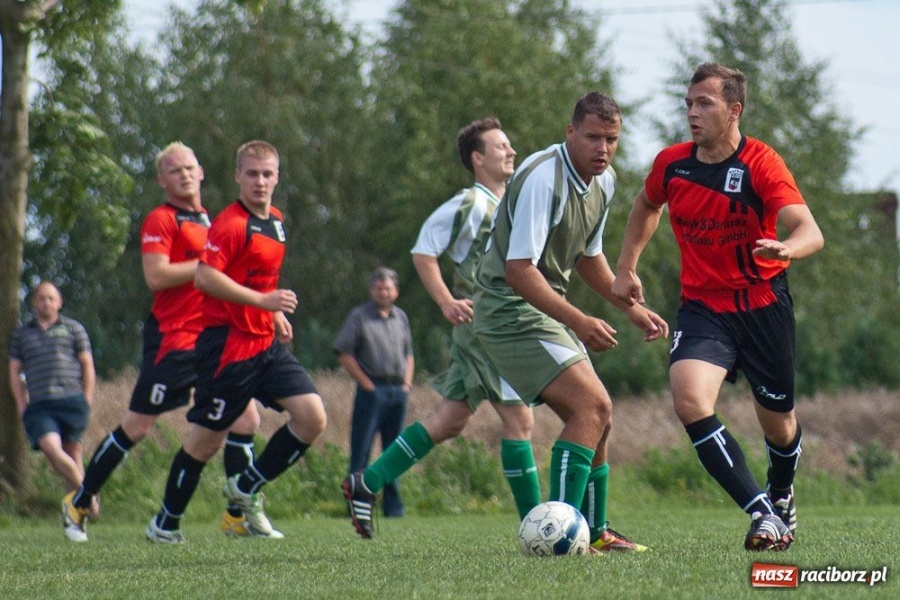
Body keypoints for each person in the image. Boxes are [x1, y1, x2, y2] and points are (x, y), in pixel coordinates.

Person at [612, 63, 824, 552]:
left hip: (763, 305)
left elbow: (810, 230)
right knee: (688, 400)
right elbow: (646, 205)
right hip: (703, 307)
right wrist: (627, 267)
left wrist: (788, 249)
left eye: (703, 103)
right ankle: (763, 513)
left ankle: (780, 491)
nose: (691, 112)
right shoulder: (673, 164)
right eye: (688, 103)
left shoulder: (762, 164)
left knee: (779, 421)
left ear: (734, 110)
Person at [472, 92, 669, 553]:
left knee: (599, 415)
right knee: (592, 407)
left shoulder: (604, 183)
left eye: (612, 139)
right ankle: (558, 539)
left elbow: (588, 258)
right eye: (593, 137)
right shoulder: (545, 177)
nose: (603, 148)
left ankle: (595, 533)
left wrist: (631, 308)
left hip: (539, 309)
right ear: (570, 133)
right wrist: (581, 321)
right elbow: (518, 271)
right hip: (507, 309)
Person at [341, 118, 540, 539]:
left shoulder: (510, 204)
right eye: (500, 146)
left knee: (450, 419)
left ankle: (367, 482)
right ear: (477, 158)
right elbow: (423, 251)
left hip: (498, 324)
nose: (511, 152)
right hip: (485, 327)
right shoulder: (469, 203)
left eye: (510, 144)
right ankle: (536, 527)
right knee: (520, 420)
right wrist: (447, 301)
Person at [62, 142, 268, 542]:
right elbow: (156, 277)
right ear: (162, 180)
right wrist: (209, 263)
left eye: (190, 167)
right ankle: (80, 501)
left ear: (202, 171)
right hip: (175, 340)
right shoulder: (161, 219)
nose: (185, 175)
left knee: (247, 418)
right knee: (137, 427)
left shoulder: (215, 219)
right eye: (175, 171)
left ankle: (236, 516)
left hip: (212, 338)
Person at [145, 140, 327, 543]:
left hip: (265, 344)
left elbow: (253, 275)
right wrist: (263, 301)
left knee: (313, 416)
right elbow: (206, 277)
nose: (260, 182)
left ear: (277, 178)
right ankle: (166, 523)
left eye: (267, 174)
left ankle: (245, 487)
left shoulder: (276, 220)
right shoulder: (230, 224)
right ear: (237, 177)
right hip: (227, 348)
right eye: (252, 174)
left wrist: (272, 309)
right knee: (205, 441)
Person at [9, 281, 96, 542]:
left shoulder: (73, 328)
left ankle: (76, 523)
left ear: (59, 302)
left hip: (71, 400)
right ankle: (87, 491)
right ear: (34, 303)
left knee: (73, 455)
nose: (46, 302)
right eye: (41, 298)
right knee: (51, 449)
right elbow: (14, 371)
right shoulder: (22, 334)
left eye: (51, 298)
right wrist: (21, 403)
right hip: (40, 405)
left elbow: (87, 365)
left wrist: (87, 399)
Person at [334, 267, 414, 521]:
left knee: (394, 451)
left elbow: (409, 353)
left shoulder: (400, 317)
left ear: (396, 292)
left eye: (388, 288)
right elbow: (344, 353)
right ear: (372, 290)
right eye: (379, 287)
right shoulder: (359, 316)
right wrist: (367, 384)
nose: (383, 292)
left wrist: (408, 383)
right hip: (372, 390)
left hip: (398, 389)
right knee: (362, 449)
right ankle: (357, 505)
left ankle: (393, 508)